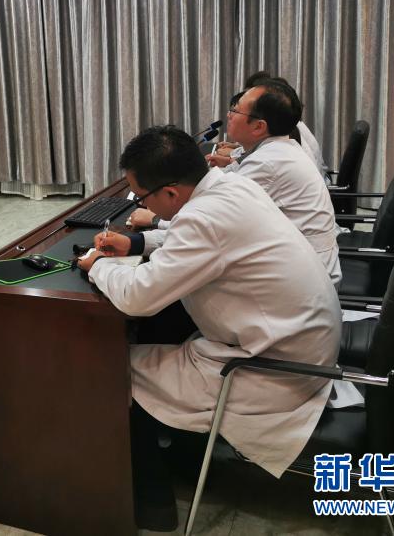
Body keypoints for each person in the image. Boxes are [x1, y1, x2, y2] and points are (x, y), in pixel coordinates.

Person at [75, 125, 342, 530]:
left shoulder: (205, 218)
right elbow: (190, 236)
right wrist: (138, 243)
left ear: (170, 193)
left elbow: (137, 296)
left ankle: (154, 504)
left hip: (273, 369)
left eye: (141, 196)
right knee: (165, 332)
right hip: (303, 342)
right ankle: (187, 459)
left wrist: (98, 265)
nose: (141, 204)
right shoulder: (231, 187)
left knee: (114, 371)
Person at [204, 79, 342, 286]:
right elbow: (226, 182)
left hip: (306, 279)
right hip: (300, 263)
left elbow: (215, 220)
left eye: (236, 110)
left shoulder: (268, 163)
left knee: (199, 271)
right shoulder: (277, 148)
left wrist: (158, 222)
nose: (229, 115)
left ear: (259, 127)